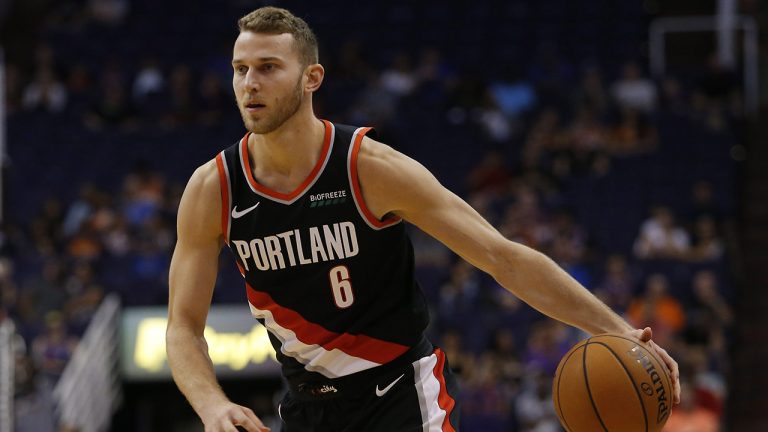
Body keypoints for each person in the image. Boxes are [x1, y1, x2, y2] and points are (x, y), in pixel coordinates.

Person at [165, 7, 681, 432]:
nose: (250, 83)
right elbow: (183, 326)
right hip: (306, 406)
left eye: (268, 67)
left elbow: (502, 257)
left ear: (311, 78)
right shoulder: (213, 190)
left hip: (403, 398)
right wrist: (212, 405)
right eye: (240, 69)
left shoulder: (369, 168)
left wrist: (620, 331)